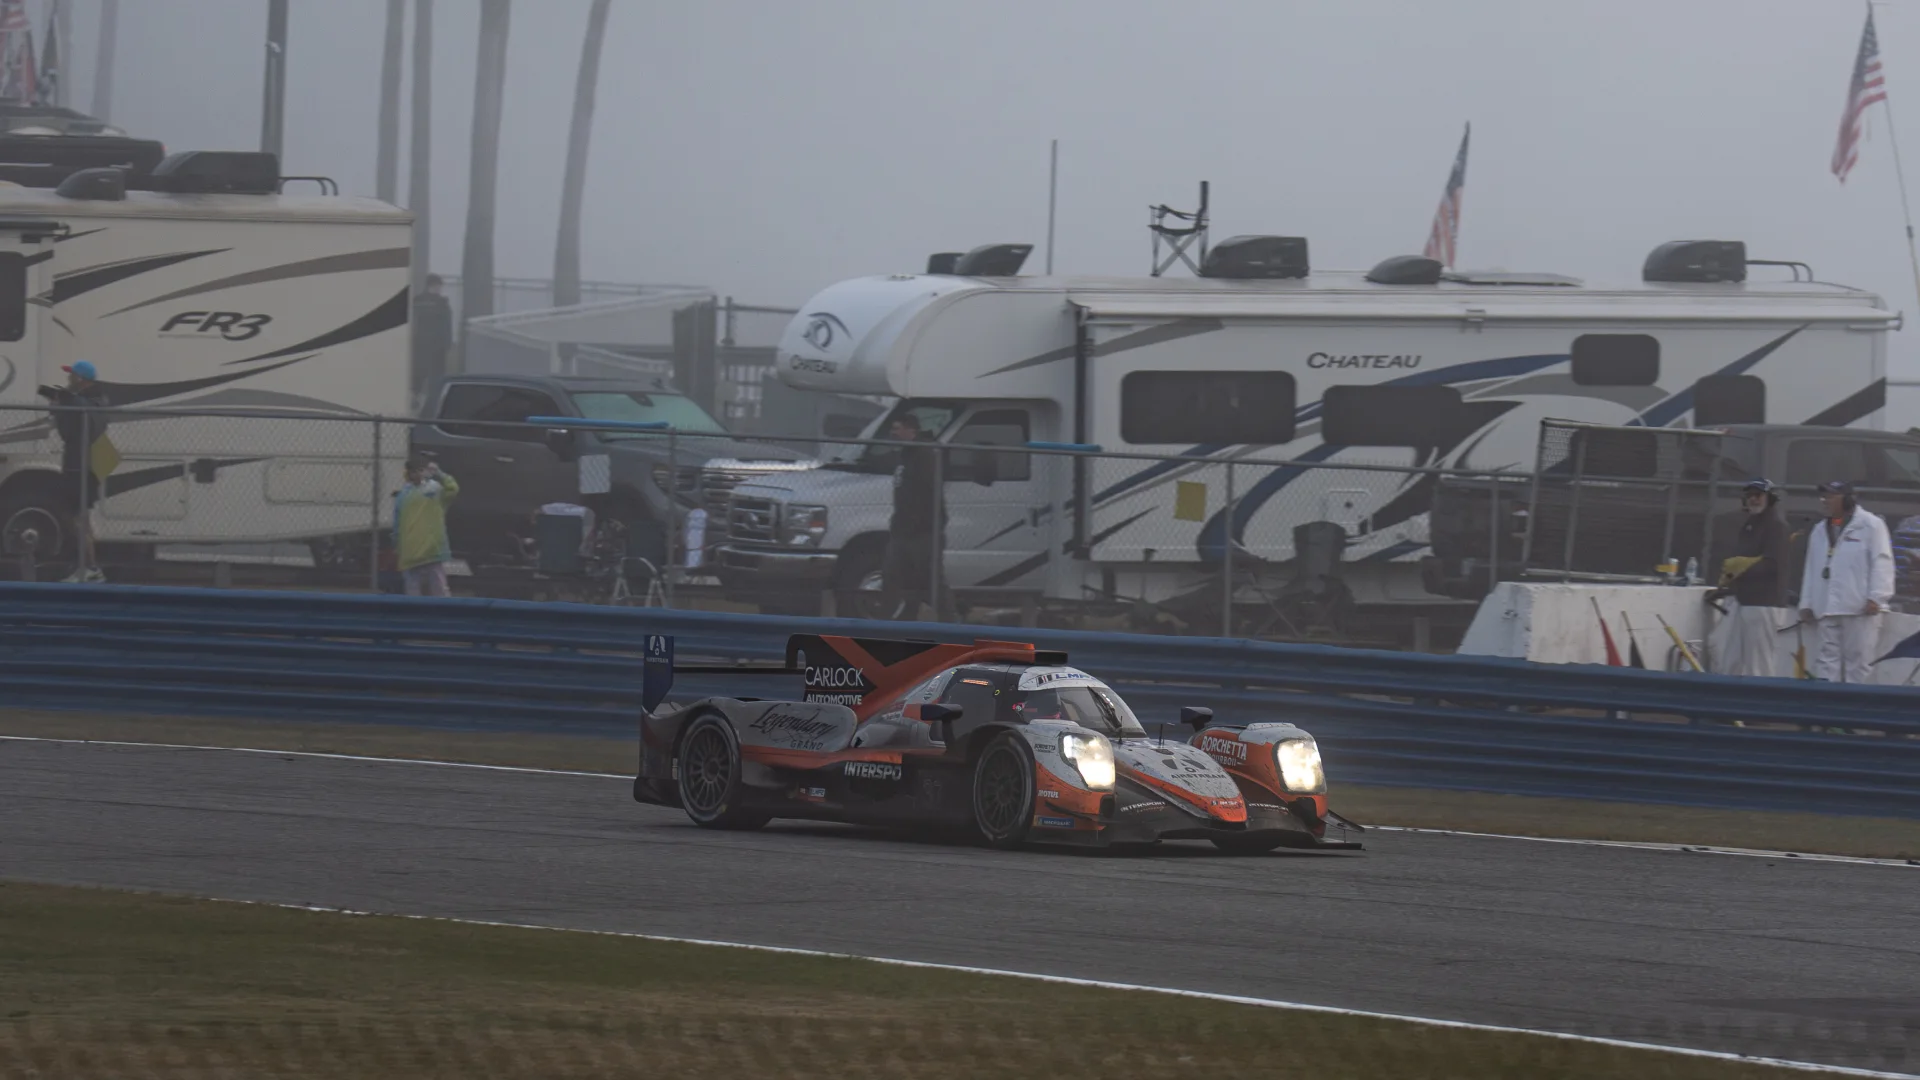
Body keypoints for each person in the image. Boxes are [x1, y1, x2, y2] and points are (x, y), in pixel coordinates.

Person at [1798, 480, 1895, 684]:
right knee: (1825, 663)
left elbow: (1882, 562)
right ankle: (1827, 703)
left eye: (1831, 497)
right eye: (1824, 497)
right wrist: (1806, 602)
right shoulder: (1819, 529)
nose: (1825, 501)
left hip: (1860, 608)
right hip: (1826, 606)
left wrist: (1877, 597)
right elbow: (1811, 567)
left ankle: (1858, 705)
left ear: (1848, 500)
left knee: (1859, 664)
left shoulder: (1871, 525)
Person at [1705, 478, 1791, 676]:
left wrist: (1741, 568)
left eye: (1758, 495)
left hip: (1765, 603)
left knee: (1758, 665)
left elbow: (1774, 565)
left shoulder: (1776, 526)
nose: (1753, 499)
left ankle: (1762, 697)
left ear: (1770, 498)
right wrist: (1726, 589)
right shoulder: (1750, 524)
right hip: (1744, 601)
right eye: (1750, 495)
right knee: (1730, 661)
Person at [35, 360, 110, 582]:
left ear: (80, 379)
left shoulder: (85, 403)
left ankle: (90, 568)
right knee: (80, 518)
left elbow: (73, 427)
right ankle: (87, 567)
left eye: (71, 375)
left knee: (76, 519)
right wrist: (59, 405)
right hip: (84, 465)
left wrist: (61, 401)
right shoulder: (93, 401)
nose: (68, 379)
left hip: (80, 467)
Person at [880, 413, 944, 620]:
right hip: (902, 529)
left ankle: (950, 620)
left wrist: (918, 523)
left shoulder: (925, 455)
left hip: (922, 531)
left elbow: (928, 492)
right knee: (894, 575)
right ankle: (901, 619)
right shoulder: (904, 455)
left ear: (911, 430)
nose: (893, 433)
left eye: (897, 428)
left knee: (930, 579)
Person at [394, 455, 459, 597]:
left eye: (421, 470)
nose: (418, 474)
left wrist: (440, 474)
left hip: (432, 549)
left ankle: (443, 608)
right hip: (411, 551)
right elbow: (397, 522)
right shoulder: (403, 495)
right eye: (414, 471)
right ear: (408, 474)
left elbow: (452, 489)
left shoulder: (435, 490)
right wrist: (397, 544)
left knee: (438, 586)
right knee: (413, 588)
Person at [411, 273, 455, 401]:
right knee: (436, 374)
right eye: (439, 286)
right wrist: (448, 342)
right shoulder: (442, 303)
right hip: (437, 344)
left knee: (419, 372)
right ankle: (433, 398)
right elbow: (447, 324)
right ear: (434, 286)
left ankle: (416, 395)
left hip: (420, 343)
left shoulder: (417, 301)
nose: (440, 289)